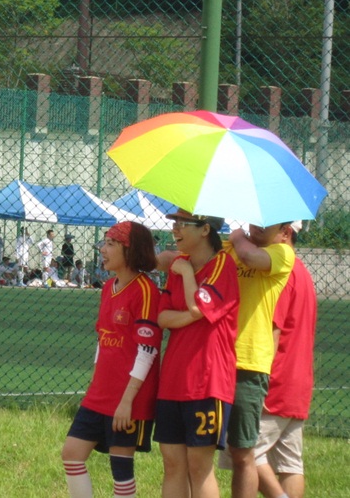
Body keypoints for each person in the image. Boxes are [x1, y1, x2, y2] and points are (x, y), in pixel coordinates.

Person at [62, 221, 162, 498]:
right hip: (101, 392)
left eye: (111, 244)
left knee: (120, 469)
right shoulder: (108, 287)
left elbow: (148, 350)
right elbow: (102, 338)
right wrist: (97, 381)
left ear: (130, 250)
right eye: (104, 243)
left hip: (128, 397)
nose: (102, 250)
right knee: (72, 454)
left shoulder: (145, 290)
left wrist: (127, 401)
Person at [154, 209, 240, 498]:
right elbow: (163, 317)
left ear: (205, 230)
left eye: (182, 224)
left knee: (199, 466)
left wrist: (189, 277)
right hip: (173, 380)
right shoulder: (180, 264)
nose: (175, 229)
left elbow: (194, 307)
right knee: (172, 463)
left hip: (206, 381)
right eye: (173, 223)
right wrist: (194, 314)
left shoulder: (222, 265)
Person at [218, 222, 296, 498]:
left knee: (242, 452)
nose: (256, 225)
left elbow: (251, 258)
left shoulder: (282, 254)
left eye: (266, 222)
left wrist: (237, 235)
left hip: (249, 363)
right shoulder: (229, 248)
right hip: (215, 357)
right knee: (197, 446)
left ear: (283, 229)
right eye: (253, 219)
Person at [255, 221, 317, 498]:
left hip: (275, 380)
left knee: (245, 450)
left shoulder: (282, 272)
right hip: (298, 382)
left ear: (285, 233)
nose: (252, 231)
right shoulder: (302, 271)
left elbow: (273, 330)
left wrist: (259, 376)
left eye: (261, 228)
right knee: (290, 463)